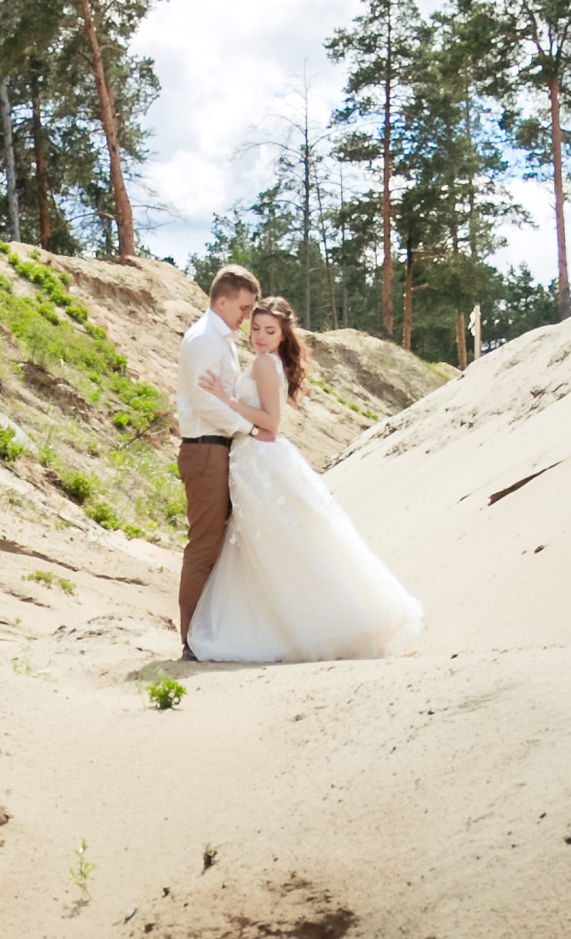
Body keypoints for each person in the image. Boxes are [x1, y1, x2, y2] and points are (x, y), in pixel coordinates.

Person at [185, 297, 424, 666]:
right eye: (256, 328)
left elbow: (270, 422)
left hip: (260, 461)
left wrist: (225, 399)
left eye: (270, 331)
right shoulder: (265, 361)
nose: (260, 336)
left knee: (279, 545)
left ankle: (312, 625)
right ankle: (277, 624)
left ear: (283, 335)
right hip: (253, 459)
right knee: (267, 546)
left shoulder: (265, 364)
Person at [174, 262, 262, 655]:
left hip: (218, 449)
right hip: (205, 449)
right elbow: (203, 402)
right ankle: (192, 640)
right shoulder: (204, 339)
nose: (247, 316)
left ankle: (210, 632)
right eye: (243, 308)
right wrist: (249, 428)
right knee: (205, 546)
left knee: (219, 544)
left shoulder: (220, 338)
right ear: (222, 301)